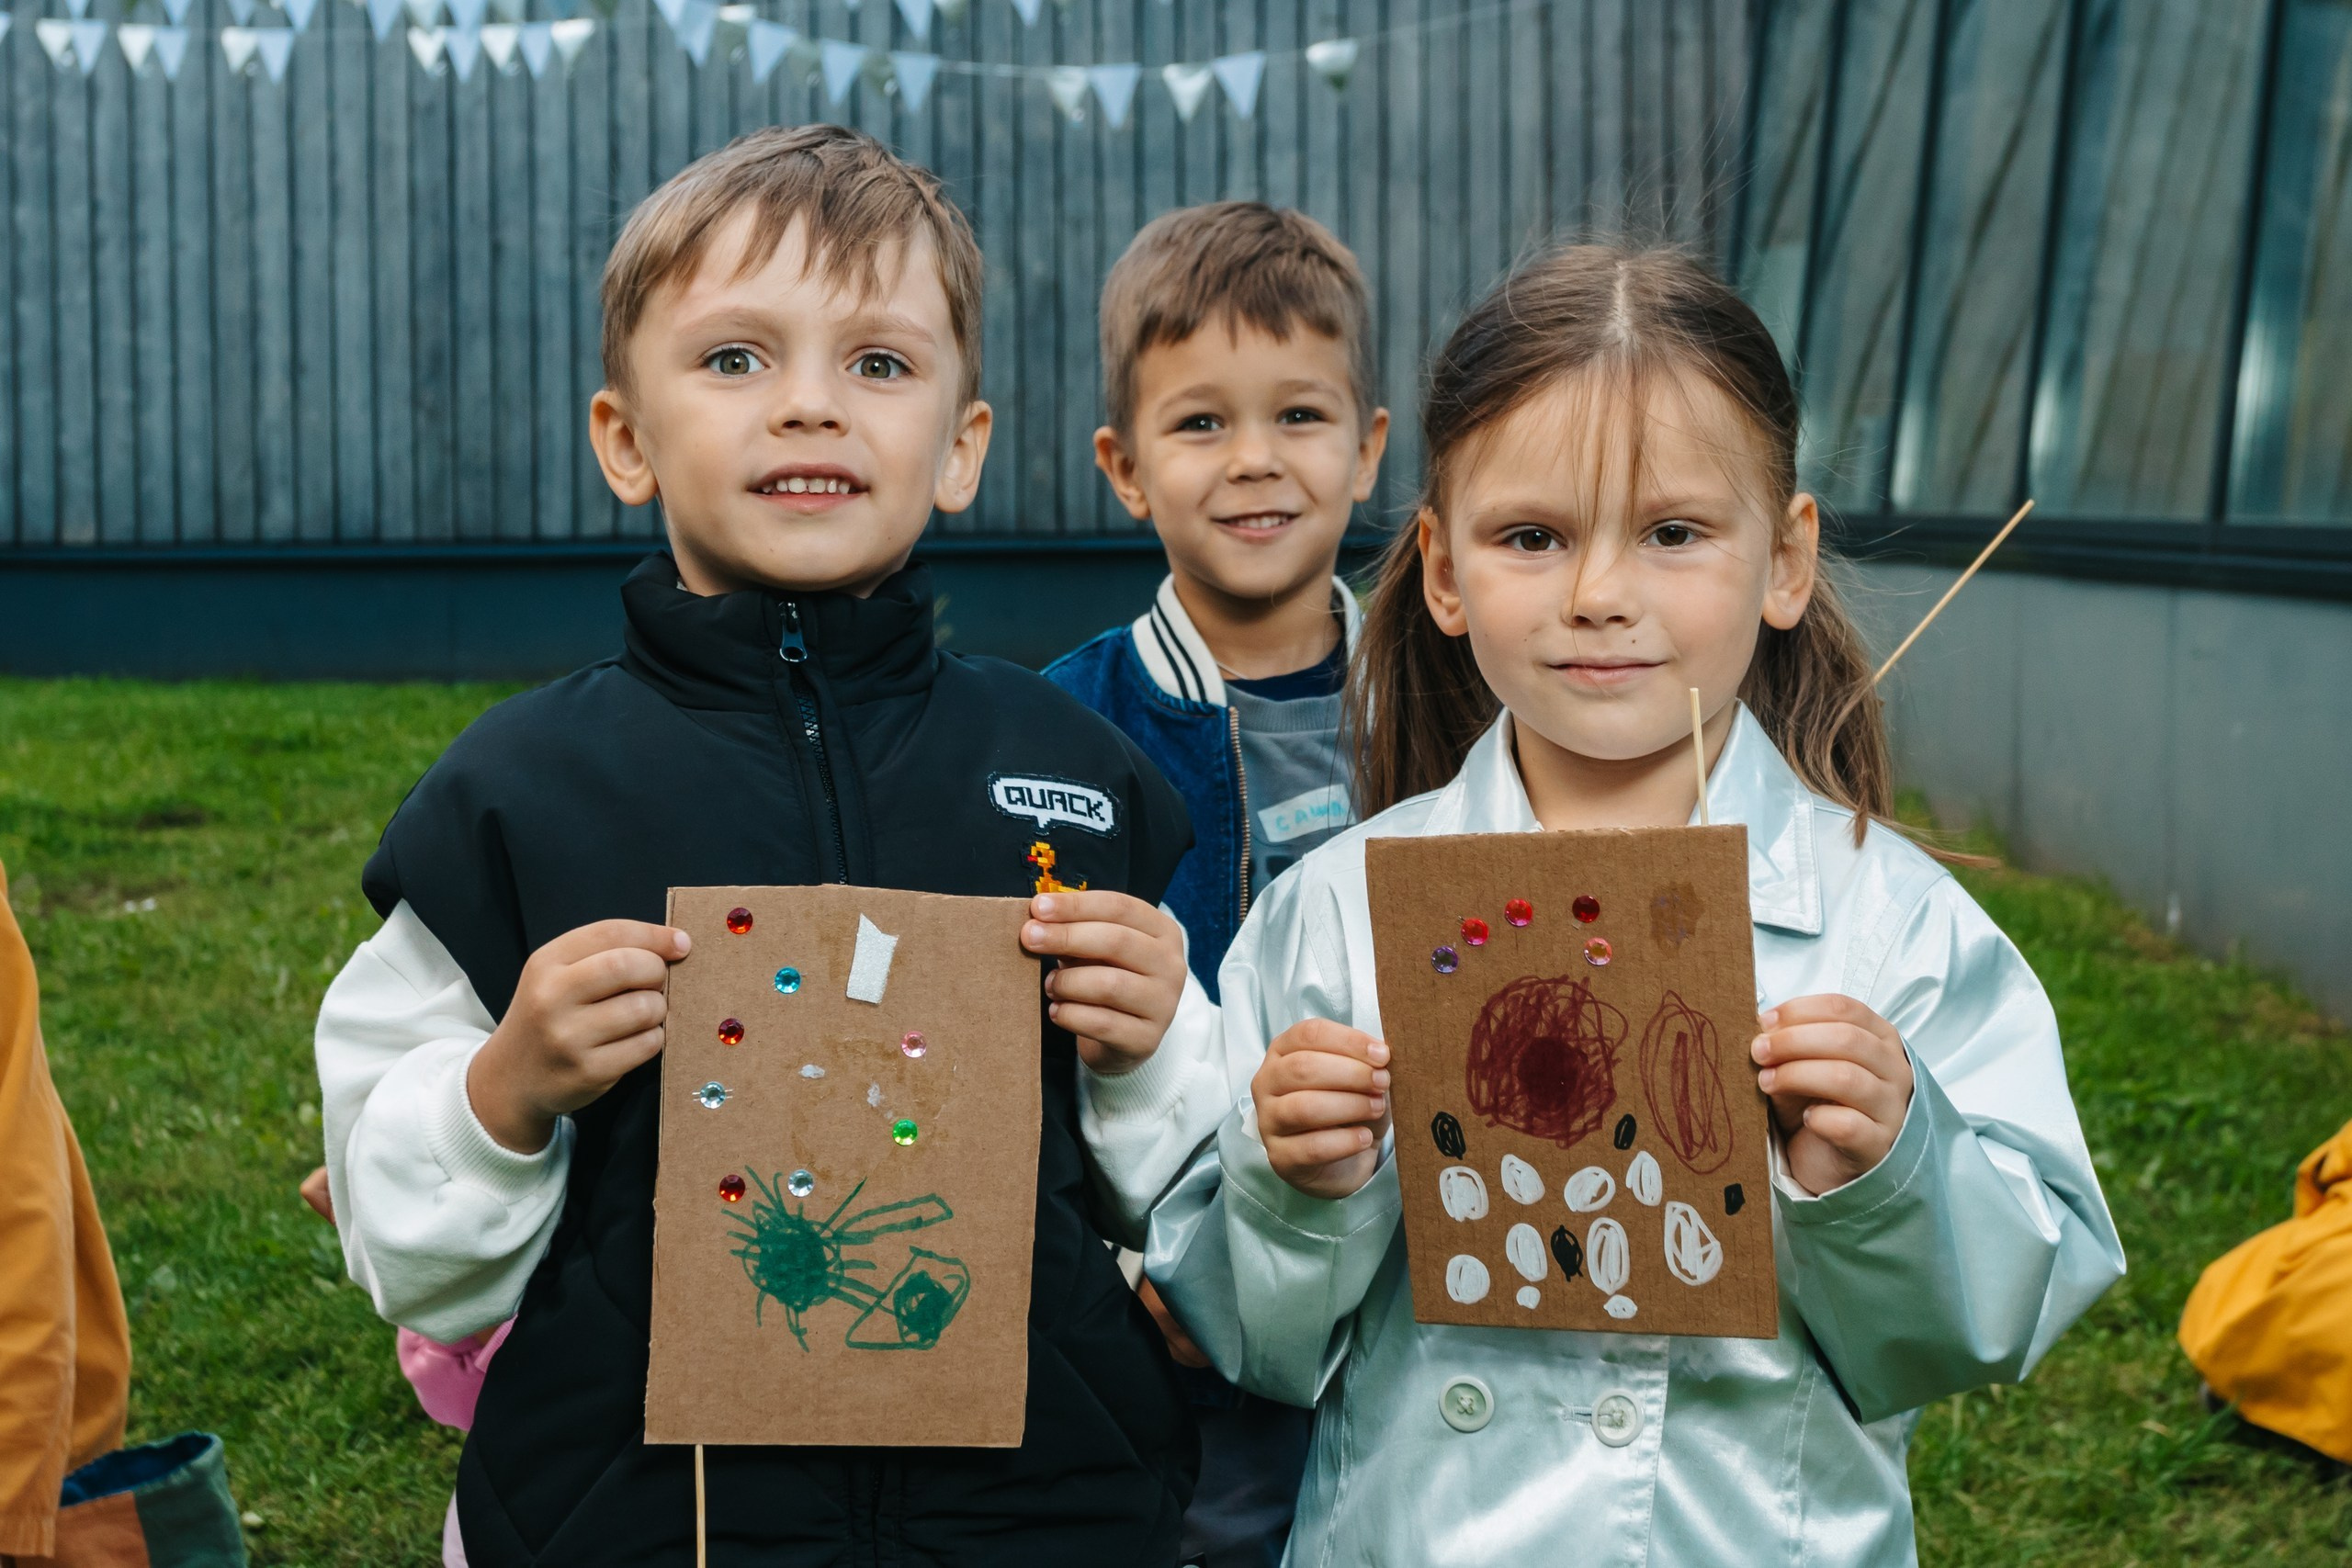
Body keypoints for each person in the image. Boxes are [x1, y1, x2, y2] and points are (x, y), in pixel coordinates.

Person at [1099, 244, 2127, 1565]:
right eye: (1533, 537)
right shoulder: (1342, 912)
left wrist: (1886, 1164)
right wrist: (1300, 1180)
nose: (1598, 594)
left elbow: (1994, 1319)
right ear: (1449, 573)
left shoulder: (1892, 923)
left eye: (1675, 532)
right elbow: (1247, 1338)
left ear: (1785, 558)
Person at [314, 125, 1207, 1567]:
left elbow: (1182, 1190)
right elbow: (406, 1249)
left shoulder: (1066, 772)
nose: (810, 408)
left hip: (1038, 1507)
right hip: (638, 1520)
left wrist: (1158, 1043)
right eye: (736, 361)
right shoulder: (519, 795)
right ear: (626, 438)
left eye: (879, 364)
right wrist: (503, 1088)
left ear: (961, 446)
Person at [1042, 201, 1387, 1568]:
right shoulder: (1061, 736)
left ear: (1366, 451)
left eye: (1299, 417)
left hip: (1411, 1281)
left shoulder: (1467, 716)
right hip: (1169, 1317)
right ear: (1125, 468)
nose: (1254, 463)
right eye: (1200, 426)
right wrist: (1147, 1264)